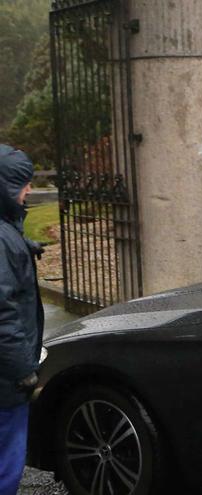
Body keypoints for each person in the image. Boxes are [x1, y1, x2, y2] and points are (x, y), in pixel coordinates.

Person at [0, 144, 43, 495]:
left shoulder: (5, 232)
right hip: (5, 382)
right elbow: (2, 316)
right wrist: (24, 371)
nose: (28, 191)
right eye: (23, 184)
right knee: (6, 466)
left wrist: (24, 245)